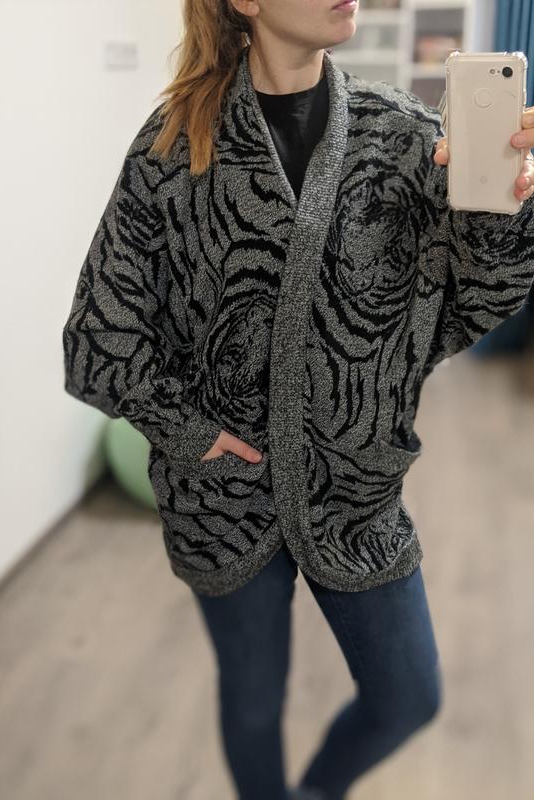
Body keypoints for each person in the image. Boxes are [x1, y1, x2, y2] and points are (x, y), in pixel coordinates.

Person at [62, 1, 534, 798]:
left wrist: (505, 213)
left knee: (409, 696)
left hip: (356, 495)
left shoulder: (404, 136)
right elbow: (99, 334)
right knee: (252, 704)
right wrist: (188, 431)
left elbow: (473, 300)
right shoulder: (172, 147)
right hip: (222, 502)